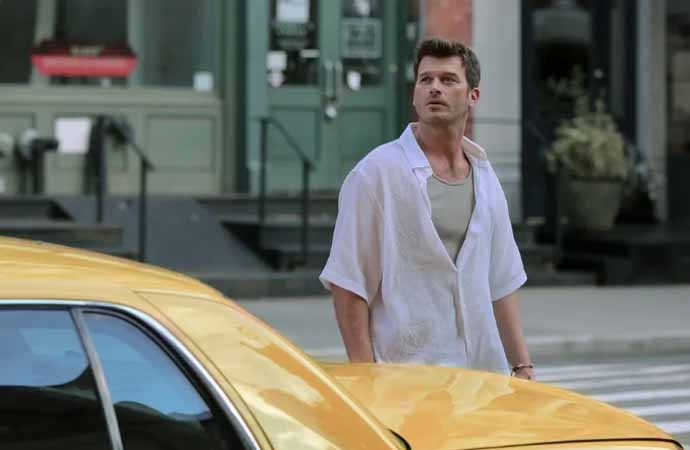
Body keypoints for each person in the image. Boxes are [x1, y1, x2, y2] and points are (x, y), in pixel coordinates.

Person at [319, 38, 534, 380]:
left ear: (473, 96)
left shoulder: (485, 176)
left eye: (448, 80)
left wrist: (522, 365)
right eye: (425, 80)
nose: (435, 88)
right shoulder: (376, 173)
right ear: (414, 95)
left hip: (482, 377)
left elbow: (502, 280)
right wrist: (366, 377)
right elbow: (348, 284)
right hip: (407, 380)